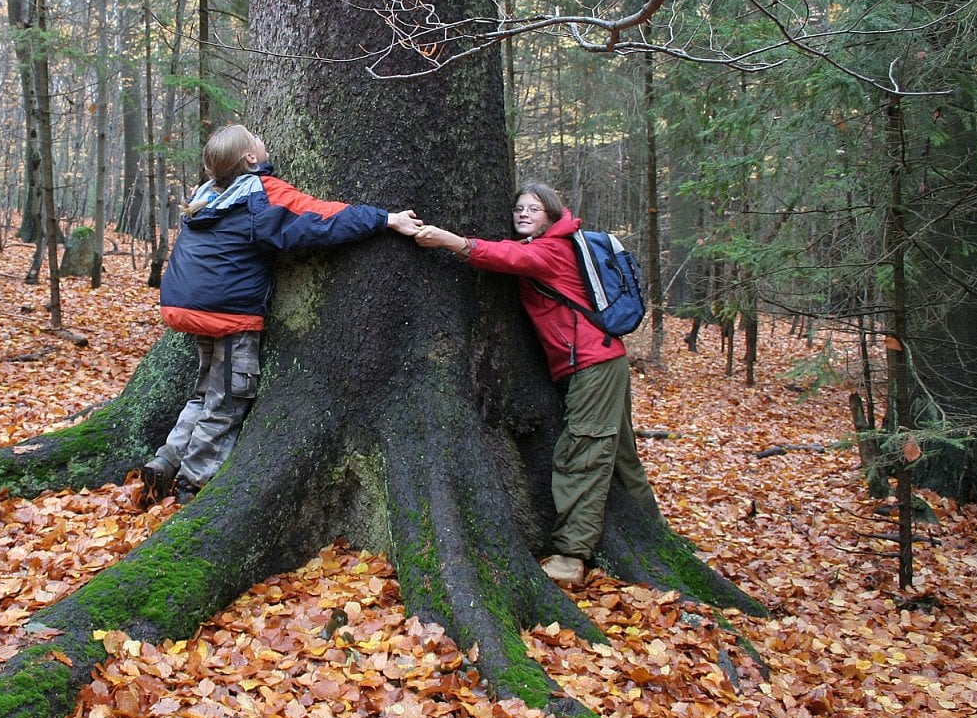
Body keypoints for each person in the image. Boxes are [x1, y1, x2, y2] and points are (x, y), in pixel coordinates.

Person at [142, 124, 423, 503]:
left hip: (187, 306)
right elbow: (321, 219)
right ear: (250, 158)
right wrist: (385, 219)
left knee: (206, 391)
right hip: (227, 314)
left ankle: (165, 462)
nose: (262, 137)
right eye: (254, 137)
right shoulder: (261, 193)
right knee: (227, 399)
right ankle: (193, 483)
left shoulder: (205, 195)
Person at [415, 183, 660, 584]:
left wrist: (450, 240)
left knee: (583, 451)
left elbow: (505, 255)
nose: (523, 213)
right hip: (598, 361)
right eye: (519, 207)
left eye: (534, 208)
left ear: (551, 214)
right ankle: (652, 535)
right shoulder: (552, 245)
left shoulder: (552, 249)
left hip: (593, 365)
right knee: (618, 455)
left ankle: (571, 556)